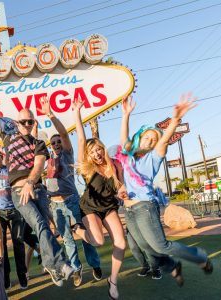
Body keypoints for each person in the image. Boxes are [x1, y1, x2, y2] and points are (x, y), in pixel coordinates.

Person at [0, 81, 74, 287]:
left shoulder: (39, 144)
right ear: (17, 122)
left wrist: (31, 183)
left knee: (46, 230)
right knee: (39, 225)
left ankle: (53, 267)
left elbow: (39, 165)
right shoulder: (8, 137)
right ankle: (58, 264)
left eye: (30, 122)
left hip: (37, 189)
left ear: (34, 123)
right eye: (23, 121)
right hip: (18, 191)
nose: (26, 125)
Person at [118, 93, 213, 288]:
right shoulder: (128, 156)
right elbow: (124, 139)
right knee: (145, 246)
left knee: (160, 245)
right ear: (139, 137)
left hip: (145, 207)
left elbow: (163, 140)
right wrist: (126, 114)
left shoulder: (153, 157)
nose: (150, 141)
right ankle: (172, 266)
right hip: (129, 210)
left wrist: (176, 119)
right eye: (147, 137)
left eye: (153, 140)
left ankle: (199, 257)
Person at [40, 96, 102, 287]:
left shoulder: (67, 154)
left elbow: (65, 135)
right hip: (56, 205)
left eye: (58, 142)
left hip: (73, 201)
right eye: (54, 143)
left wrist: (50, 114)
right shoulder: (47, 161)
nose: (57, 144)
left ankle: (95, 264)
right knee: (67, 240)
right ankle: (76, 268)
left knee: (85, 236)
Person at [74, 98, 127, 300]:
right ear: (88, 155)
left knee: (120, 242)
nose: (96, 153)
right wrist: (77, 113)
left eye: (98, 149)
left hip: (108, 207)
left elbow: (120, 186)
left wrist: (122, 193)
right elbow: (80, 139)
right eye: (92, 151)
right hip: (89, 208)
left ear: (102, 148)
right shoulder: (88, 169)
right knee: (97, 241)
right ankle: (77, 229)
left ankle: (112, 281)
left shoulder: (114, 165)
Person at [0, 146, 28, 289]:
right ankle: (5, 279)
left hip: (14, 211)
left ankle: (22, 277)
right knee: (0, 247)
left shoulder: (9, 170)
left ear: (1, 157)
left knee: (18, 244)